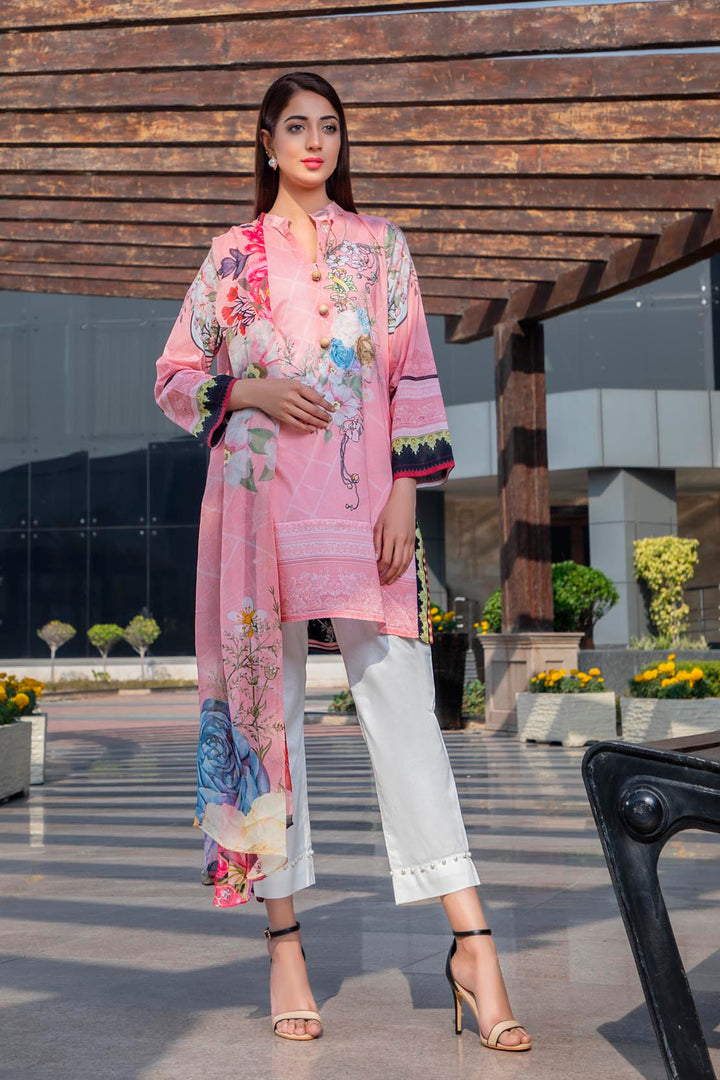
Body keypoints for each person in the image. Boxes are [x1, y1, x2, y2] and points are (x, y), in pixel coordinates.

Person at [154, 71, 530, 1052]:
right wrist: (249, 392)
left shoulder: (381, 248)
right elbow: (175, 376)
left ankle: (474, 944)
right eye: (297, 127)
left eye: (329, 127)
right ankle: (284, 945)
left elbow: (411, 372)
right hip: (255, 511)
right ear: (266, 141)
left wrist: (409, 489)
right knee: (262, 718)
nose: (314, 142)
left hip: (366, 512)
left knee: (406, 715)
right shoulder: (231, 255)